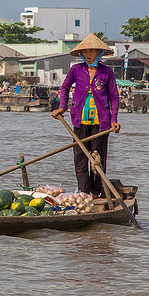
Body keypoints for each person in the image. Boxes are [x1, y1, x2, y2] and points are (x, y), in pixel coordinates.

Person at [51, 33, 121, 197]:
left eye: (92, 51)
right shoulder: (76, 70)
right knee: (80, 159)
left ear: (99, 52)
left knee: (97, 160)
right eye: (86, 51)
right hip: (80, 121)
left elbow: (114, 97)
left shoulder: (106, 72)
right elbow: (64, 88)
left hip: (101, 123)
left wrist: (114, 120)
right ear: (81, 54)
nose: (88, 55)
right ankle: (84, 193)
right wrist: (62, 107)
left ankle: (95, 194)